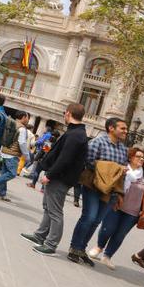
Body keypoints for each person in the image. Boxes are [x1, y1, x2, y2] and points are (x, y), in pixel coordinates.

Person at [21, 103, 89, 255]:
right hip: (60, 177)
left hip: (60, 178)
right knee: (49, 207)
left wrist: (50, 175)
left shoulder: (75, 134)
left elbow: (65, 159)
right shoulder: (75, 132)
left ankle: (51, 244)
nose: (64, 115)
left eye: (65, 113)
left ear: (68, 113)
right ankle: (40, 236)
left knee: (55, 211)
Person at [67, 117, 129, 266]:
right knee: (88, 217)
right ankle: (74, 248)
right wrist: (109, 170)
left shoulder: (123, 149)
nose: (126, 131)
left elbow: (121, 172)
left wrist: (120, 193)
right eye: (123, 128)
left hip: (110, 191)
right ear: (111, 128)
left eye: (126, 129)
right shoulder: (97, 142)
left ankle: (81, 249)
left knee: (96, 221)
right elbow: (88, 161)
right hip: (93, 186)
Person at [88, 146, 144, 269]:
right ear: (130, 157)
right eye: (138, 156)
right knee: (107, 229)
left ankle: (107, 256)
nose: (141, 159)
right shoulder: (122, 169)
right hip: (115, 205)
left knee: (120, 235)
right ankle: (99, 247)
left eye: (143, 157)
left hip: (133, 212)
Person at [0, 111, 30, 201]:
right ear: (24, 117)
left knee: (4, 173)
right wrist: (26, 155)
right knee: (12, 173)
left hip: (4, 151)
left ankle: (2, 194)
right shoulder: (22, 128)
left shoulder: (10, 123)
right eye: (28, 117)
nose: (28, 120)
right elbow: (22, 143)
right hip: (13, 154)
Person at [27, 120, 57, 188]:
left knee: (37, 171)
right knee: (46, 174)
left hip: (43, 160)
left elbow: (44, 152)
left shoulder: (48, 144)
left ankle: (33, 184)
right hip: (50, 162)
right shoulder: (57, 144)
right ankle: (43, 188)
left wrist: (37, 158)